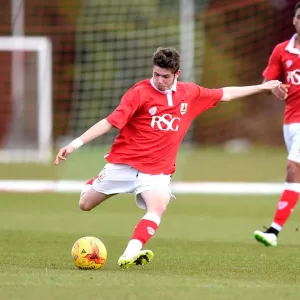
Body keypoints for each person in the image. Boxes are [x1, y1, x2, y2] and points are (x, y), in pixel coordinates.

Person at [55, 47, 280, 268]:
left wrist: (263, 87)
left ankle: (129, 254)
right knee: (85, 204)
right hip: (124, 164)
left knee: (158, 207)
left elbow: (226, 94)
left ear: (176, 74)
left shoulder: (189, 93)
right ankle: (95, 183)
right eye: (156, 74)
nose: (159, 80)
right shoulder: (139, 93)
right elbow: (109, 122)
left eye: (165, 76)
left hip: (157, 170)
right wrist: (75, 144)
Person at [254, 2, 300, 247]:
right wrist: (275, 87)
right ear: (294, 20)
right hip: (290, 122)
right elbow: (265, 83)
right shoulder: (282, 50)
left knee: (293, 170)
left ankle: (274, 230)